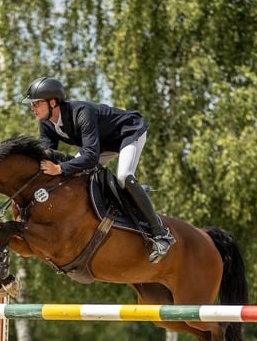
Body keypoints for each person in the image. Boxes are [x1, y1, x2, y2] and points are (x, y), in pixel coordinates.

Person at [22, 76, 175, 263]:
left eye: (36, 103)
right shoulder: (46, 123)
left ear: (52, 102)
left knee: (124, 176)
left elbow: (91, 158)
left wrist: (60, 168)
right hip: (101, 144)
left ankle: (161, 235)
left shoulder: (81, 113)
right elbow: (46, 154)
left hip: (127, 133)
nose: (32, 108)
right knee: (76, 178)